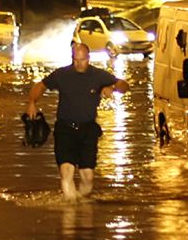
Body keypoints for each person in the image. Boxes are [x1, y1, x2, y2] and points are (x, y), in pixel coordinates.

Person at [26, 43, 129, 202]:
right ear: (72, 58)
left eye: (82, 60)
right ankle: (70, 214)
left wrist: (112, 87)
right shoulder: (62, 75)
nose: (79, 63)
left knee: (87, 178)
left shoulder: (99, 76)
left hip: (88, 131)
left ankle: (80, 205)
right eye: (75, 59)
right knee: (66, 170)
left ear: (89, 58)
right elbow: (41, 85)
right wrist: (32, 102)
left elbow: (124, 85)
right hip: (65, 130)